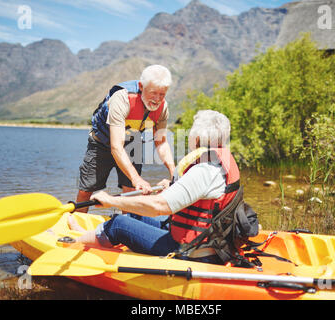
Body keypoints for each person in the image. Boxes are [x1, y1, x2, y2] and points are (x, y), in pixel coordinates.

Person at [69, 110, 241, 265]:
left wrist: (112, 201)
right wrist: (174, 186)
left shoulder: (204, 170)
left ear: (196, 138)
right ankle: (87, 235)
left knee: (118, 224)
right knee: (134, 212)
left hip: (192, 250)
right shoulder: (217, 163)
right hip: (206, 240)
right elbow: (202, 196)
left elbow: (159, 207)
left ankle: (71, 245)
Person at [76, 65, 176, 212]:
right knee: (86, 189)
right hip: (102, 143)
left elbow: (161, 143)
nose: (157, 99)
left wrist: (175, 173)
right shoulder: (122, 99)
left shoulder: (163, 108)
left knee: (131, 191)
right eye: (153, 93)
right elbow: (116, 147)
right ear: (141, 86)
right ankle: (76, 224)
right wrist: (137, 178)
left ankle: (125, 226)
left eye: (162, 94)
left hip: (132, 143)